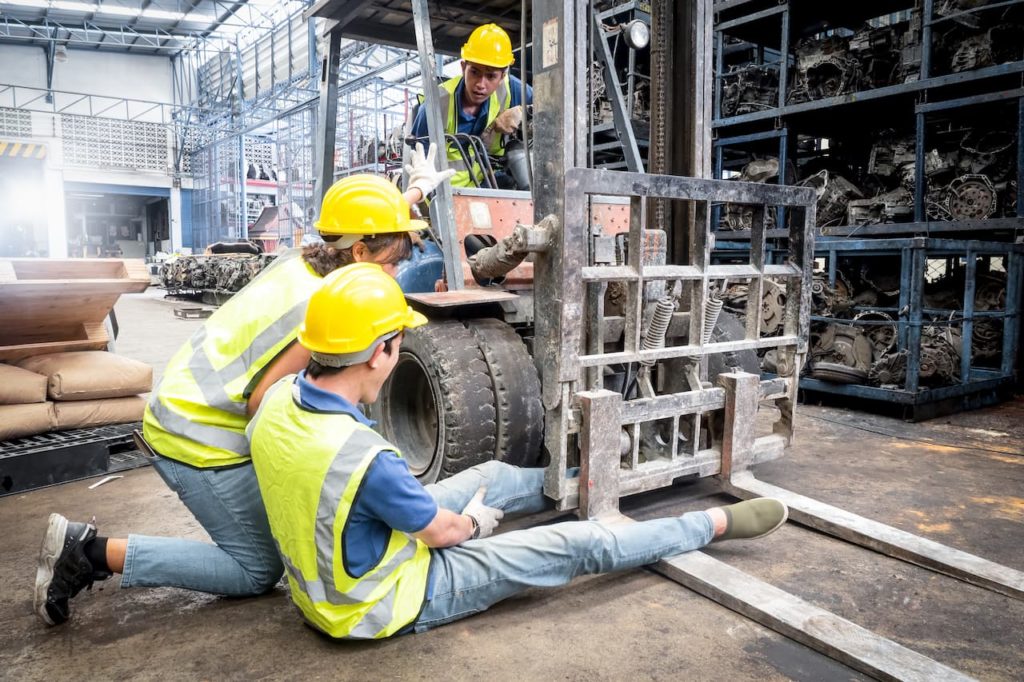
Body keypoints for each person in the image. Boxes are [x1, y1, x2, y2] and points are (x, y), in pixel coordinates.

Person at [247, 264, 790, 639]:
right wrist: (475, 525)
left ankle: (602, 477)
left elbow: (355, 489)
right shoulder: (365, 457)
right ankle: (713, 524)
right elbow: (443, 533)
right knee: (576, 544)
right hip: (380, 603)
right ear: (381, 350)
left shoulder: (273, 403)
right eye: (397, 346)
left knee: (492, 475)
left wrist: (464, 512)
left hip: (339, 570)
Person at [33, 151, 456, 627]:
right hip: (195, 436)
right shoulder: (317, 310)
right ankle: (87, 553)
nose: (394, 274)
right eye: (392, 264)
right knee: (257, 569)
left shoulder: (306, 262)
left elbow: (366, 226)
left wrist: (415, 192)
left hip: (188, 403)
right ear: (360, 253)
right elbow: (266, 406)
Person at [410, 23, 533, 188]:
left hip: (490, 186)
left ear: (503, 76)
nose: (481, 84)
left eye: (491, 76)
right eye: (474, 72)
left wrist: (524, 111)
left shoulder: (514, 91)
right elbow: (420, 166)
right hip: (447, 195)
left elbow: (555, 110)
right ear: (463, 67)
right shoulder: (436, 106)